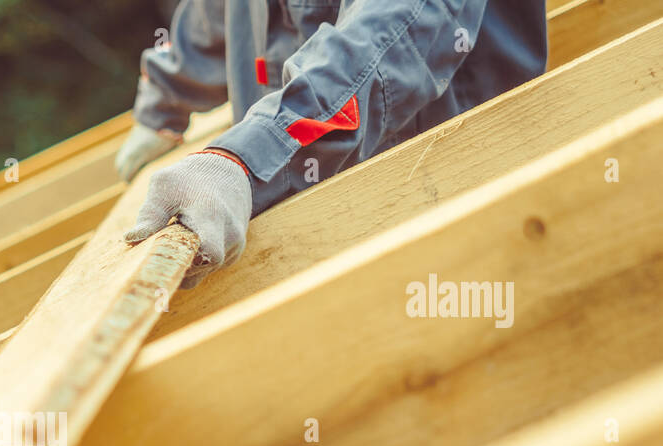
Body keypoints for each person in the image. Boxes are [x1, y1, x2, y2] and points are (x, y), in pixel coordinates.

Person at [119, 1, 547, 287]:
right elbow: (217, 14)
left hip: (448, 222)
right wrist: (164, 99)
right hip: (306, 220)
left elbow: (390, 34)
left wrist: (247, 157)